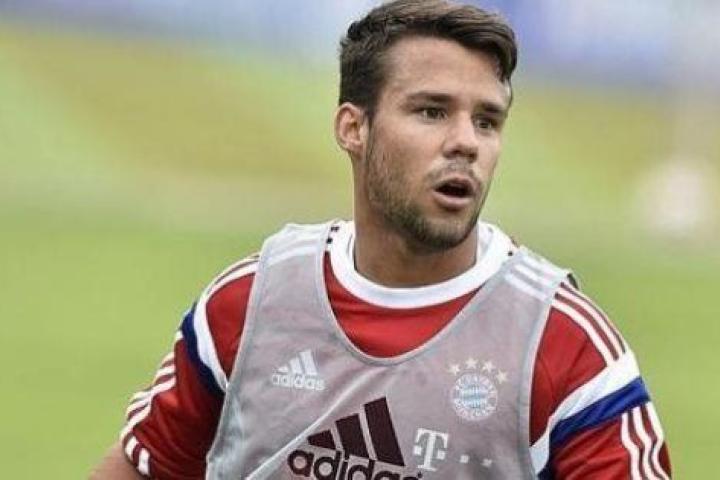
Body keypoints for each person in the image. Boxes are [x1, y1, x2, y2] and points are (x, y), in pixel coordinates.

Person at [90, 1, 672, 478]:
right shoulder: (251, 303)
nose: (466, 142)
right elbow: (146, 466)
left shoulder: (565, 345)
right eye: (432, 112)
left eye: (487, 121)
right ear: (353, 128)